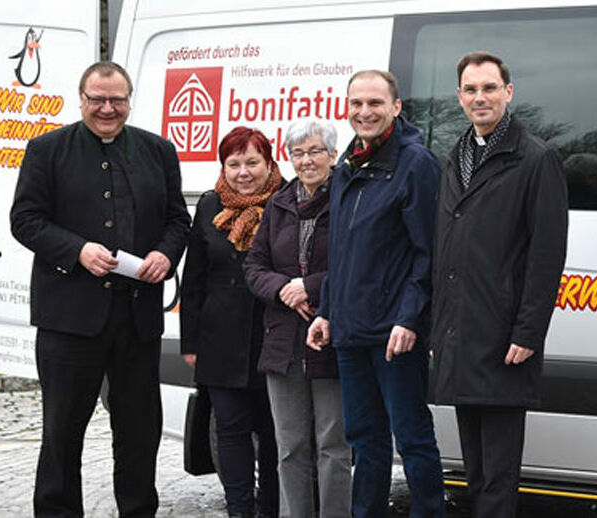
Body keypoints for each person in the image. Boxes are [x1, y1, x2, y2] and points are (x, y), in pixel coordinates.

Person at [10, 60, 190, 517]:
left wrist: (166, 255)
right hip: (70, 320)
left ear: (129, 100)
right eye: (98, 99)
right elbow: (25, 220)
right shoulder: (47, 150)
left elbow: (177, 220)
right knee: (61, 434)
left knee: (139, 433)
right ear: (82, 99)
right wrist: (76, 251)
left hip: (137, 318)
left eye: (117, 99)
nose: (108, 108)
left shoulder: (158, 151)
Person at [429, 51, 569, 518]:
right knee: (476, 473)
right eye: (470, 90)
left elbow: (546, 256)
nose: (479, 98)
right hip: (461, 332)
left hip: (504, 337)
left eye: (489, 88)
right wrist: (439, 327)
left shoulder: (536, 158)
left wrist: (528, 333)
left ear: (508, 93)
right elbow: (447, 247)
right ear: (459, 97)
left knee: (498, 477)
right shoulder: (456, 156)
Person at [305, 70, 445, 518]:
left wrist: (410, 319)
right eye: (356, 103)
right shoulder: (349, 162)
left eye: (375, 103)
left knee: (411, 435)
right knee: (363, 437)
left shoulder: (416, 163)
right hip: (350, 329)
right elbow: (341, 252)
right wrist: (326, 311)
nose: (364, 112)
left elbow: (428, 253)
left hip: (393, 332)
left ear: (396, 108)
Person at [244, 119, 352, 518]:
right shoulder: (279, 202)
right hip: (283, 340)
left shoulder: (348, 195)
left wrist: (312, 287)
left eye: (315, 151)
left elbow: (359, 263)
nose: (306, 161)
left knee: (333, 445)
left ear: (332, 154)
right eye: (298, 153)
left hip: (333, 336)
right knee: (289, 446)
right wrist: (284, 290)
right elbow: (254, 266)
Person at [180, 126, 282, 518]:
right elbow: (194, 279)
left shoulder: (287, 201)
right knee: (231, 433)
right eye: (234, 163)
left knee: (275, 436)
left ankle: (272, 509)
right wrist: (190, 342)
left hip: (271, 338)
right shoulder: (209, 206)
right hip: (218, 343)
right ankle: (240, 510)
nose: (243, 172)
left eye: (252, 162)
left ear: (269, 162)